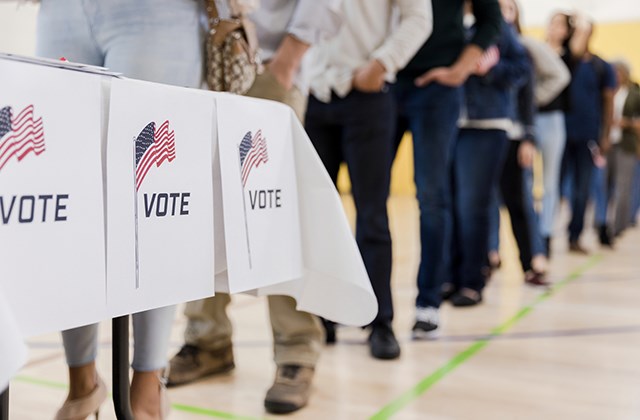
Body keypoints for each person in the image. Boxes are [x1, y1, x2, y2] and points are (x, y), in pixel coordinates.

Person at [166, 0, 341, 414]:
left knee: (273, 217)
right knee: (203, 215)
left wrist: (288, 59)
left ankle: (297, 350)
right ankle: (207, 340)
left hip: (265, 66)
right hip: (199, 71)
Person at [36, 0, 204, 418]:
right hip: (63, 9)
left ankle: (148, 383)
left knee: (152, 195)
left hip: (156, 11)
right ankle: (82, 384)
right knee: (66, 193)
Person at [304, 0, 432, 359]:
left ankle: (379, 321)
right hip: (314, 95)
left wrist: (382, 63)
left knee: (372, 215)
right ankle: (322, 316)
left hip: (368, 96)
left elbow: (419, 18)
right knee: (318, 217)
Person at [392, 0, 502, 337]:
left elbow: (491, 20)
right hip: (385, 80)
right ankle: (370, 305)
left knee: (433, 197)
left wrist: (459, 69)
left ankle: (428, 301)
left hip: (438, 89)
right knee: (370, 198)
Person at [443, 3, 530, 307]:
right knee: (449, 203)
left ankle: (471, 281)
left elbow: (521, 70)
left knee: (472, 206)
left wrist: (490, 68)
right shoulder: (446, 16)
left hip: (487, 124)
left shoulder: (496, 24)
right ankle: (450, 277)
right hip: (447, 121)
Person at [487, 0, 570, 286]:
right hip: (485, 131)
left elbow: (529, 97)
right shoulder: (477, 42)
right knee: (484, 201)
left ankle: (533, 259)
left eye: (508, 9)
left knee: (520, 199)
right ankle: (488, 256)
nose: (502, 13)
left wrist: (528, 137)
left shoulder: (523, 49)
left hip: (513, 134)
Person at [536, 12, 590, 257]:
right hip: (529, 119)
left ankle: (546, 233)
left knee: (551, 182)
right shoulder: (534, 49)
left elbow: (582, 34)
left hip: (553, 119)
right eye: (552, 22)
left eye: (560, 24)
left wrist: (577, 20)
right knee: (523, 180)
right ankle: (532, 232)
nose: (554, 27)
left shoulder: (568, 57)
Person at [561, 20, 616, 254]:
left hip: (587, 134)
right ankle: (542, 239)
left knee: (583, 189)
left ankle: (575, 235)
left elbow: (608, 101)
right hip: (561, 131)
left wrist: (605, 134)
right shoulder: (563, 61)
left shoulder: (601, 66)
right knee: (556, 187)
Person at [608, 60, 640, 236]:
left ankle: (618, 226)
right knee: (603, 186)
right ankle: (602, 223)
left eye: (618, 72)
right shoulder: (607, 90)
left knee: (623, 187)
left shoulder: (635, 93)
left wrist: (625, 123)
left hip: (626, 144)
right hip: (608, 144)